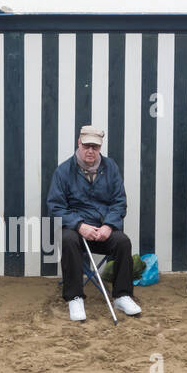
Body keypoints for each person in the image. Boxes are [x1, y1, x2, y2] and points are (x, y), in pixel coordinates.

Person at [46, 125, 142, 321]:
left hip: (103, 229)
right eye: (87, 146)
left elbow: (119, 202)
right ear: (79, 143)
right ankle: (74, 297)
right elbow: (55, 206)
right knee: (68, 240)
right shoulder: (63, 171)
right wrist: (80, 225)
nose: (90, 151)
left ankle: (122, 295)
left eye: (95, 147)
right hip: (76, 229)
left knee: (123, 241)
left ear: (100, 147)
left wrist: (108, 225)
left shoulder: (111, 167)